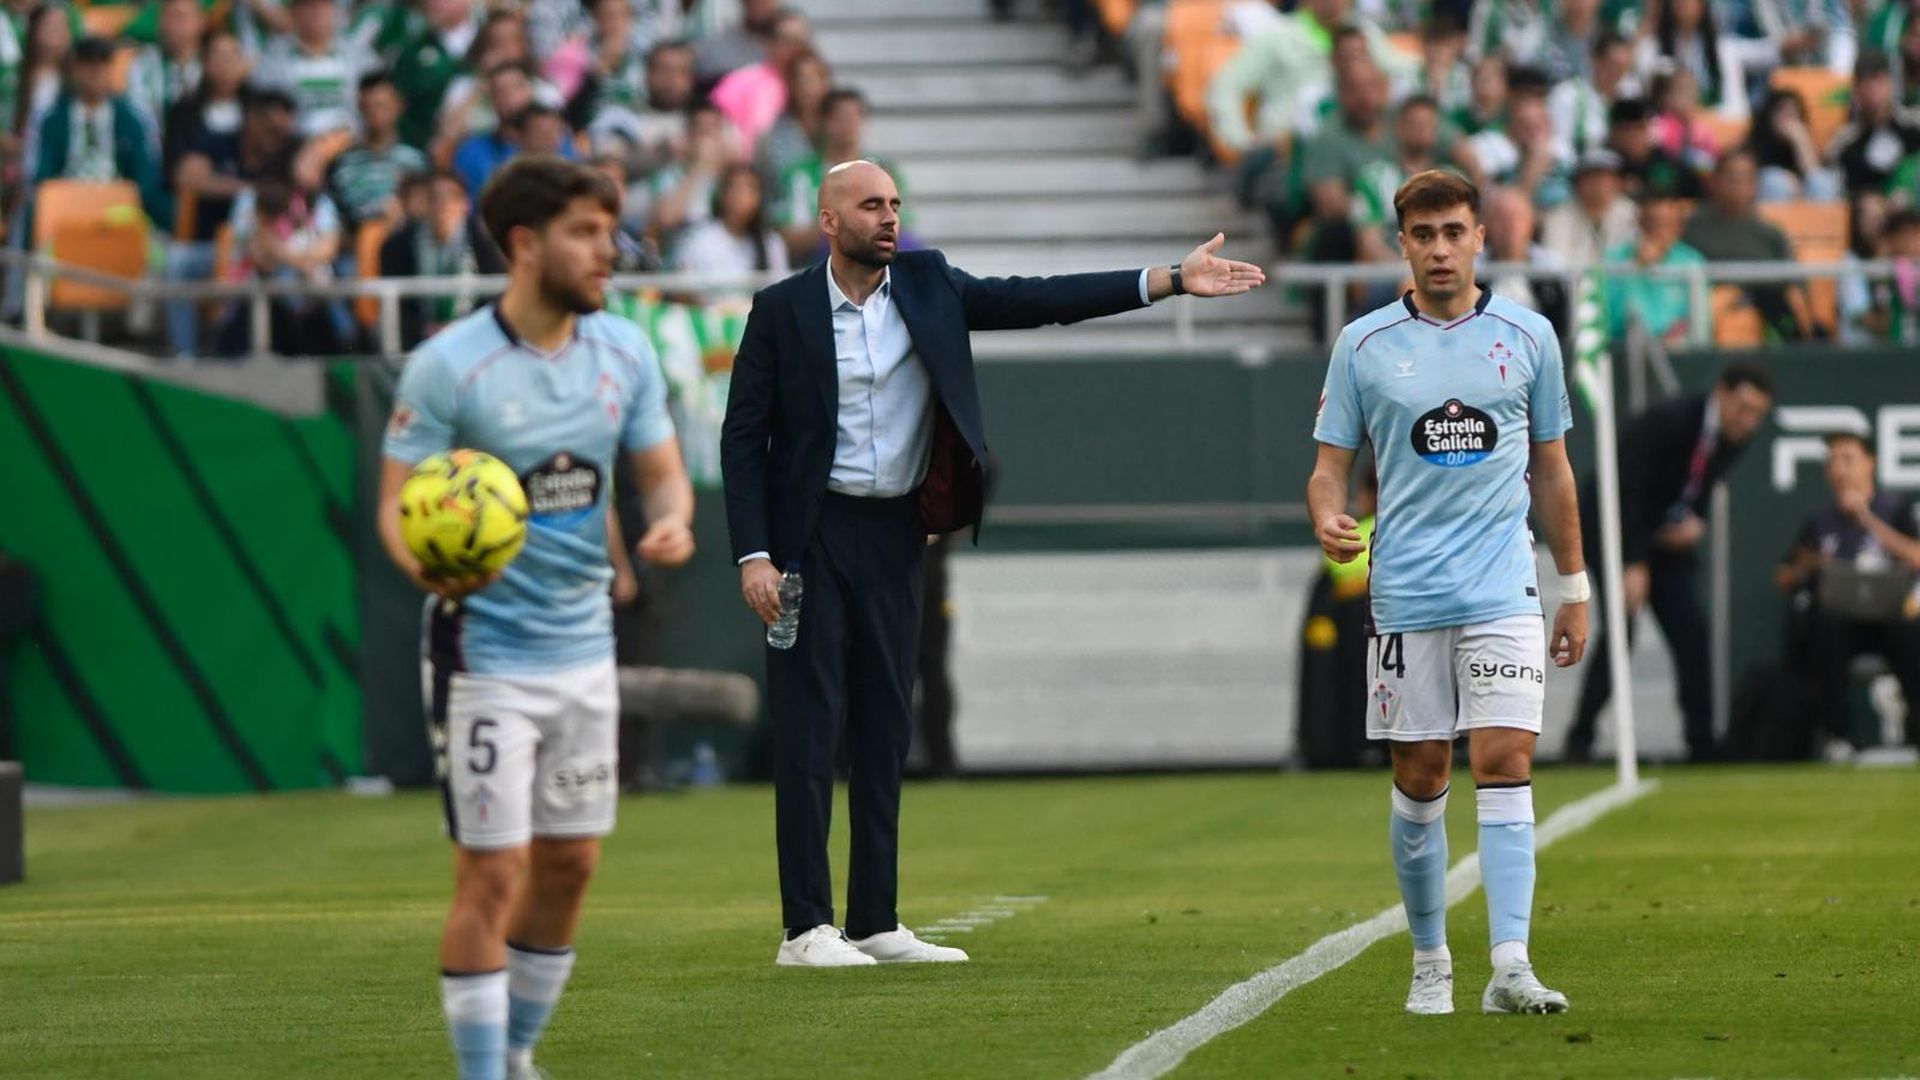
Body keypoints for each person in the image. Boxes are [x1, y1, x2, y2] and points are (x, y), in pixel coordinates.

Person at [719, 159, 1264, 967]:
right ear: (828, 222)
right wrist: (754, 553)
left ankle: (873, 919)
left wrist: (1168, 280)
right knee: (811, 727)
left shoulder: (930, 282)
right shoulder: (781, 310)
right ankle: (805, 927)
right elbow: (743, 437)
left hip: (900, 530)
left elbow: (1037, 299)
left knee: (885, 725)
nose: (889, 217)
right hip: (812, 535)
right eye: (871, 206)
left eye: (895, 203)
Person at [378, 154, 695, 1080]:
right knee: (492, 871)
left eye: (611, 231)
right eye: (587, 235)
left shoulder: (624, 351)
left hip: (584, 651)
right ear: (524, 246)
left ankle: (514, 1056)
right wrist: (430, 569)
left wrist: (671, 519)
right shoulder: (449, 365)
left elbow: (660, 472)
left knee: (571, 868)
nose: (610, 252)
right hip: (483, 657)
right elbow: (397, 507)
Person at [1307, 169, 1588, 1018]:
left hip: (1503, 584)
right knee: (1423, 776)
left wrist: (1571, 586)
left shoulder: (1529, 335)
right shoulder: (1362, 344)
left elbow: (1553, 467)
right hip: (1404, 593)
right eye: (1423, 235)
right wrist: (1329, 519)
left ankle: (1511, 962)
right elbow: (1329, 470)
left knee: (1504, 761)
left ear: (1479, 238)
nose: (1440, 250)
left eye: (1454, 232)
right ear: (1403, 242)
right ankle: (1430, 957)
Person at [1564, 361, 1776, 763]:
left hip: (1664, 538)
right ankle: (1580, 740)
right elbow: (1625, 490)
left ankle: (1702, 743)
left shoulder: (1733, 437)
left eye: (1757, 415)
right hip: (1613, 530)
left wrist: (1692, 520)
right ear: (1722, 393)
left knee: (1691, 633)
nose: (1749, 422)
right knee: (1621, 633)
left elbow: (1695, 482)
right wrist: (1631, 561)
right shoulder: (1668, 422)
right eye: (1744, 409)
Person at [1775, 432, 1920, 754]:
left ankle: (1916, 732)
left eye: (1847, 459)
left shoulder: (1895, 509)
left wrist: (1866, 519)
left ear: (1870, 463)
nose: (1839, 469)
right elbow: (1783, 578)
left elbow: (1916, 557)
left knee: (1909, 628)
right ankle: (1838, 737)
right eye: (1832, 462)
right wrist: (1808, 565)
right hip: (1839, 625)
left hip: (1889, 621)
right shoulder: (1818, 521)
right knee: (1824, 627)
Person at [1682, 148, 1820, 338]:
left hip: (1767, 305)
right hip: (1708, 304)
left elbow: (1794, 285)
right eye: (1731, 177)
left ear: (1755, 184)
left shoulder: (1770, 233)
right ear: (1714, 181)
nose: (1738, 185)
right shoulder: (1692, 228)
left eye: (1746, 178)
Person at [321, 72, 429, 235]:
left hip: (405, 241)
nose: (375, 113)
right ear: (359, 107)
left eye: (382, 105)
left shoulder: (417, 159)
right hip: (355, 243)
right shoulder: (342, 162)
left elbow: (425, 207)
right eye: (368, 106)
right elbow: (333, 214)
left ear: (399, 105)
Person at [671, 163, 789, 277]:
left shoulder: (771, 243)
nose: (746, 197)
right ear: (723, 195)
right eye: (739, 189)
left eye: (752, 189)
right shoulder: (700, 241)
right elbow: (684, 290)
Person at [1542, 148, 1637, 269]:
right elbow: (1555, 264)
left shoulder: (1634, 213)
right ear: (1577, 183)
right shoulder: (1558, 216)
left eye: (1607, 177)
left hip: (1620, 286)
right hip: (1574, 285)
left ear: (1619, 183)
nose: (1600, 183)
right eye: (1592, 177)